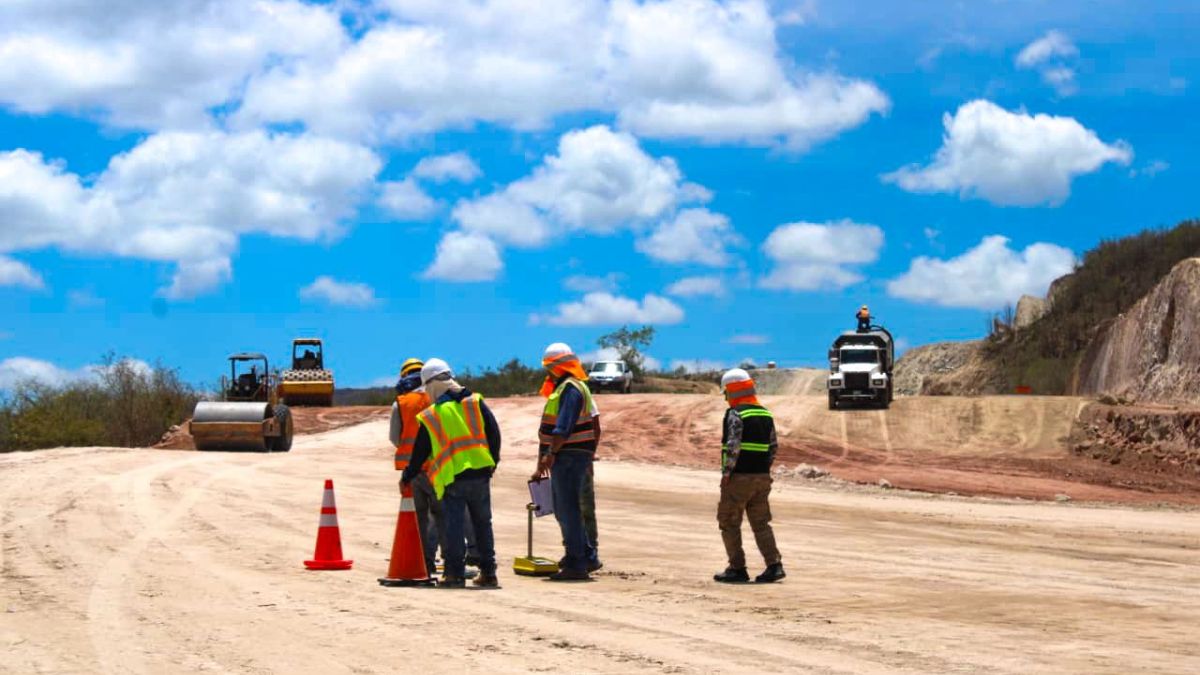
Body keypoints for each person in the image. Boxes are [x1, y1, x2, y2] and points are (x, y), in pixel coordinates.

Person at [401, 359, 501, 588]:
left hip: (453, 478)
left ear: (433, 385)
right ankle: (489, 573)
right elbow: (494, 433)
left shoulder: (432, 415)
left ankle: (454, 574)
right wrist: (493, 462)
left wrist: (407, 476)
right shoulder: (475, 402)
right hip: (480, 474)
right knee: (482, 524)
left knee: (453, 526)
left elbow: (420, 452)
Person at [532, 343, 601, 581]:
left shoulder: (570, 389)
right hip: (569, 455)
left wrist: (551, 454)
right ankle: (586, 555)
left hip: (569, 455)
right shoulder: (566, 388)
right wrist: (543, 460)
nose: (548, 372)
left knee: (567, 508)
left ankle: (577, 562)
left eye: (550, 367)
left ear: (556, 366)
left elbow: (563, 428)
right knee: (565, 508)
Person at [713, 368, 785, 584]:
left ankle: (737, 569)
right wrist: (763, 469)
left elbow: (733, 446)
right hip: (762, 477)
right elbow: (773, 447)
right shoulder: (765, 413)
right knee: (761, 523)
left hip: (739, 478)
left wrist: (727, 474)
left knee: (728, 521)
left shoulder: (736, 414)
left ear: (732, 391)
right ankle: (774, 566)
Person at [388, 357, 440, 578]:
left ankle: (421, 562)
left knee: (416, 517)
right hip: (438, 468)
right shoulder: (437, 398)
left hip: (411, 471)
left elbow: (394, 438)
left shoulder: (400, 403)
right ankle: (435, 559)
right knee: (438, 516)